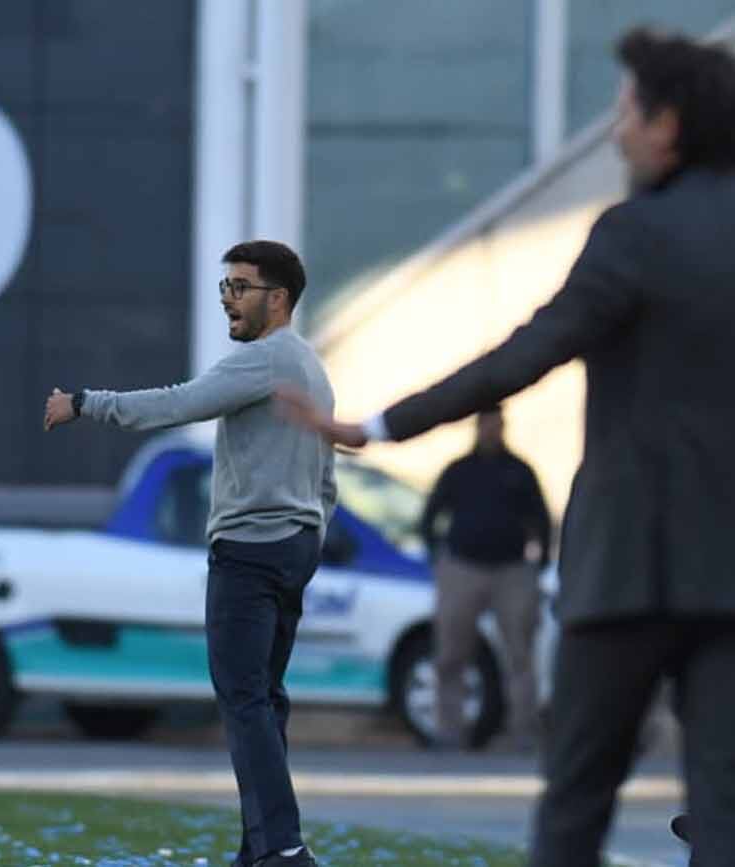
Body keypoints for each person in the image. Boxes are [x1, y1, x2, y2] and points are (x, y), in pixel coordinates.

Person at [275, 27, 735, 866]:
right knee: (726, 809)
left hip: (624, 568)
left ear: (669, 125)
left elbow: (527, 354)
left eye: (628, 108)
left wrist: (382, 424)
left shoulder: (635, 233)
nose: (617, 126)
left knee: (577, 799)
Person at [44, 240, 334, 867]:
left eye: (241, 287)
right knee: (265, 697)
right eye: (224, 286)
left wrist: (87, 403)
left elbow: (177, 404)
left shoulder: (263, 360)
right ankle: (260, 847)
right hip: (293, 544)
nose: (228, 299)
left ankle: (282, 848)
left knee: (245, 698)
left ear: (278, 299)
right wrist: (312, 532)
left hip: (252, 550)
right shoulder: (309, 364)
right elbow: (326, 474)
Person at [420, 405, 550, 750]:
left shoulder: (519, 471)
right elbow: (432, 514)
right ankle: (449, 731)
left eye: (497, 424)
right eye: (486, 424)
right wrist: (437, 556)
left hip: (512, 570)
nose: (491, 430)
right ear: (477, 428)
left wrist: (539, 565)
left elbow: (540, 518)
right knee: (450, 653)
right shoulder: (459, 471)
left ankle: (522, 732)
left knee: (520, 653)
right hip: (463, 566)